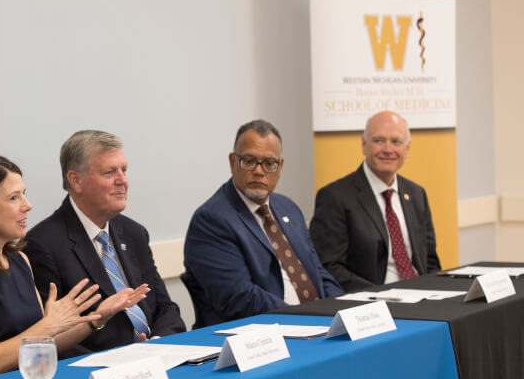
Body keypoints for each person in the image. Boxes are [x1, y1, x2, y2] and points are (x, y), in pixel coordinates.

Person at [0, 154, 147, 379]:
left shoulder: (19, 259)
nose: (27, 205)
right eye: (13, 197)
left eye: (24, 194)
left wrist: (97, 317)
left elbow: (42, 343)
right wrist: (47, 326)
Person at [24, 130, 185, 354]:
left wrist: (157, 343)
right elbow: (50, 338)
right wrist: (119, 362)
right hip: (96, 372)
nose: (123, 181)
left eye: (124, 170)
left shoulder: (134, 232)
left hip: (156, 358)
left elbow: (166, 308)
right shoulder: (42, 244)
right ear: (76, 181)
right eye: (110, 172)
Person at [183, 120, 342, 328]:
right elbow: (239, 298)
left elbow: (317, 271)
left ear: (280, 167)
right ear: (233, 162)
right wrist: (306, 318)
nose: (259, 171)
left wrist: (338, 308)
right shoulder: (212, 220)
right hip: (261, 336)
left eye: (269, 163)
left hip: (312, 325)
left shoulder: (289, 208)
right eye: (249, 161)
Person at [309, 111, 440, 292]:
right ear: (364, 145)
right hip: (372, 304)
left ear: (407, 148)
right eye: (378, 140)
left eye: (396, 142)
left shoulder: (417, 194)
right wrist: (381, 296)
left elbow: (430, 261)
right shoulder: (335, 197)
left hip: (421, 296)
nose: (388, 149)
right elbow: (329, 266)